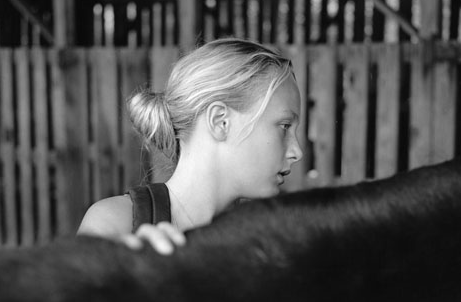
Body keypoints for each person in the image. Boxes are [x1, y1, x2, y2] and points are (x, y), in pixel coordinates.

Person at [77, 38, 303, 254]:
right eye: (284, 126)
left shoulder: (268, 243)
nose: (297, 152)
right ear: (220, 121)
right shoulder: (114, 224)